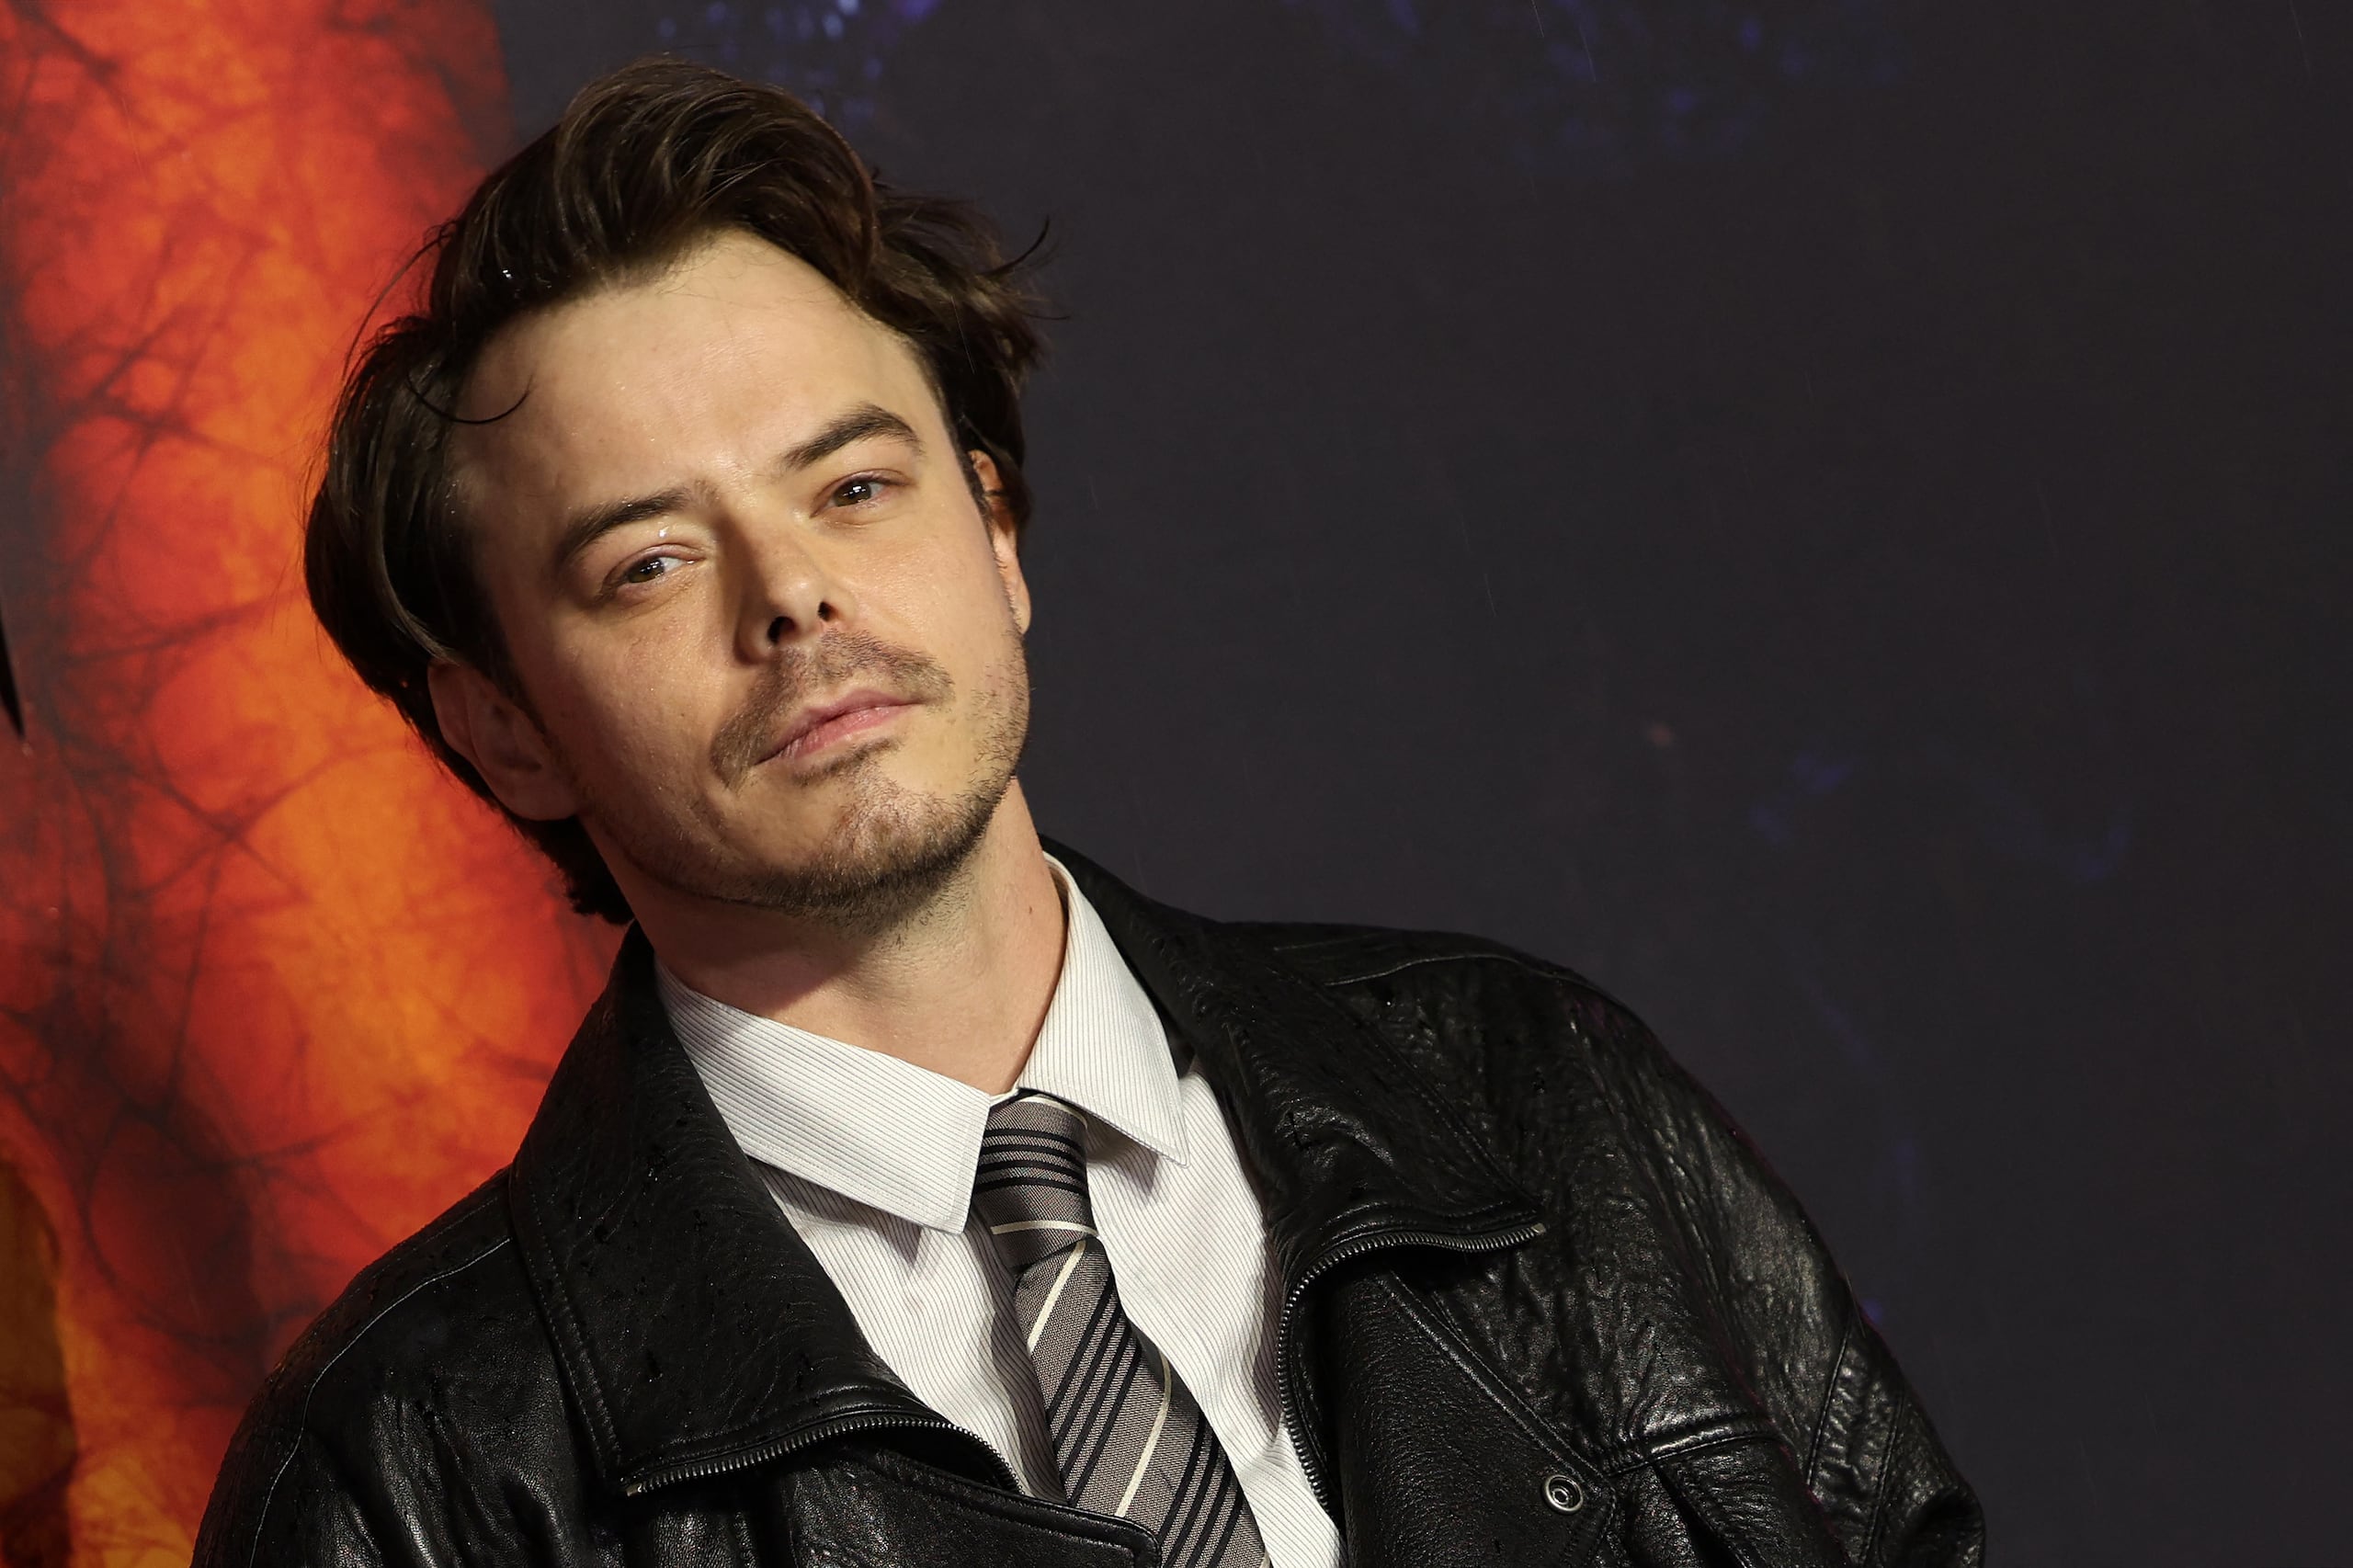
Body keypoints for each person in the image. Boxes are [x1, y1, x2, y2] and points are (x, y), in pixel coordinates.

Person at [193, 57, 1983, 1568]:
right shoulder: (414, 1469)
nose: (794, 596)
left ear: (995, 532)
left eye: (854, 483)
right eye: (650, 560)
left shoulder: (1534, 1093)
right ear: (504, 729)